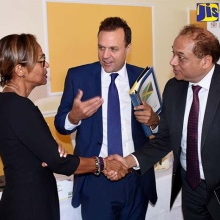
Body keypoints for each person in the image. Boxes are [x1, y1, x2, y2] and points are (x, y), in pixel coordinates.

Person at [0, 33, 128, 220]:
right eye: (41, 60)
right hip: (28, 207)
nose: (46, 65)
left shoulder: (6, 103)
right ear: (20, 69)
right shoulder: (19, 107)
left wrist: (48, 151)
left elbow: (43, 153)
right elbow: (59, 162)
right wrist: (102, 163)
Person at [111, 25, 220, 220]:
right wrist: (128, 161)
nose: (172, 61)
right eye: (173, 53)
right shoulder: (174, 87)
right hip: (191, 188)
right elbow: (165, 139)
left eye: (181, 57)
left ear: (205, 61)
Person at [54, 17, 159, 220]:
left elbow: (159, 129)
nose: (106, 55)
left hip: (136, 177)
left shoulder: (141, 77)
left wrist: (154, 121)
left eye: (113, 49)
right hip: (96, 181)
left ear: (128, 48)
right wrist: (73, 117)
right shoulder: (78, 76)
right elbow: (61, 125)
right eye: (101, 48)